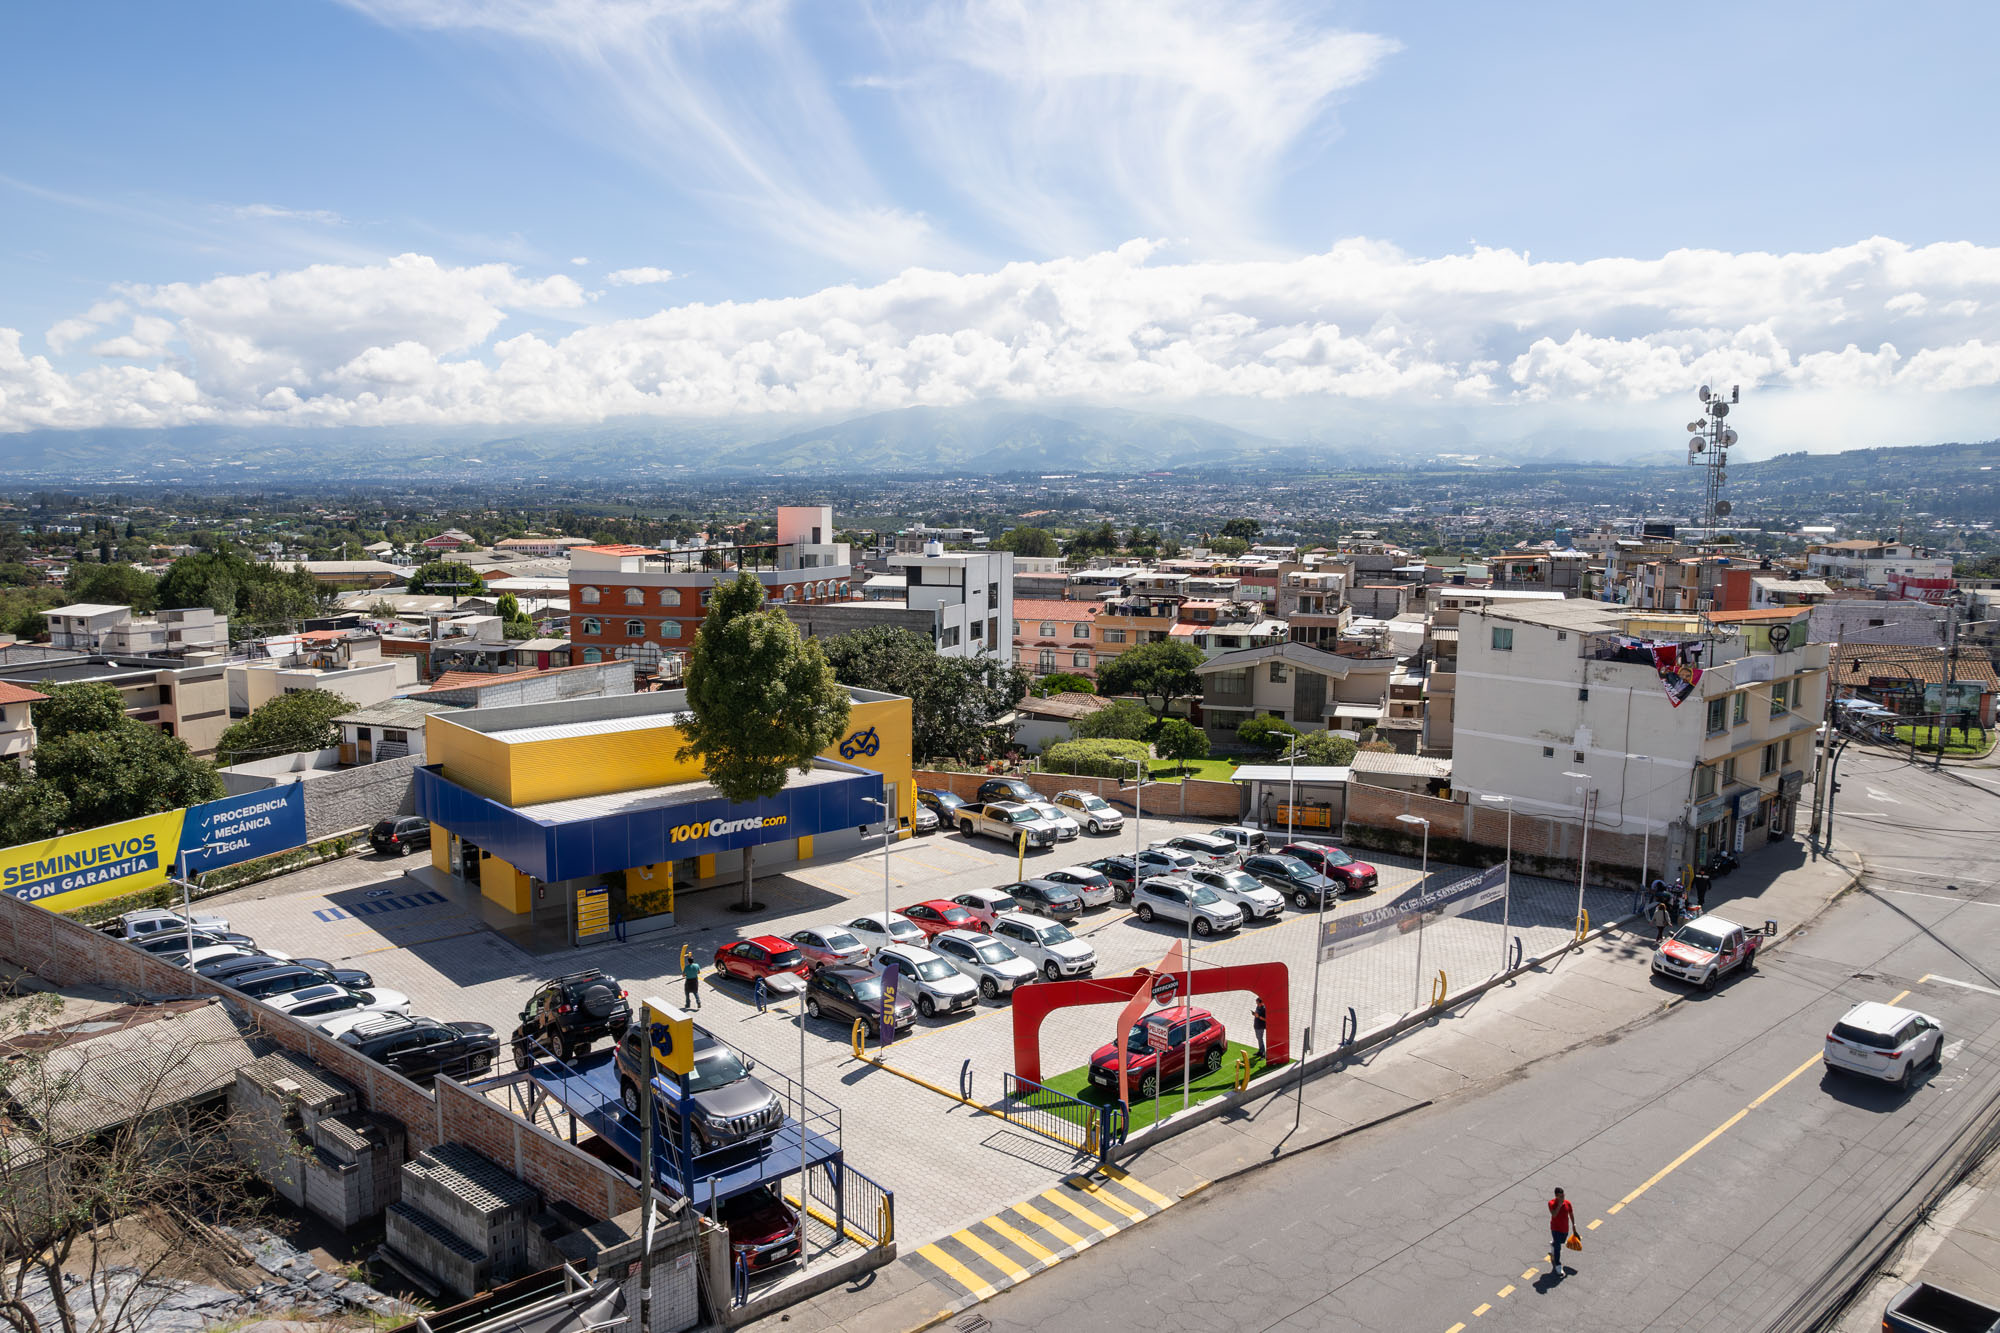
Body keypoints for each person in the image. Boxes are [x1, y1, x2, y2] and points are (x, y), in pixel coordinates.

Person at [1547, 1188, 1576, 1275]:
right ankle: (1558, 1266)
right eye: (1560, 1196)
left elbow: (1571, 1214)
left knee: (1561, 1241)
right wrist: (1559, 1205)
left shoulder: (1567, 1203)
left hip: (1565, 1229)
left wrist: (1573, 1225)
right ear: (1556, 1196)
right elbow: (1554, 1214)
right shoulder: (1551, 1203)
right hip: (1555, 1228)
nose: (1563, 1198)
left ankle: (1553, 1245)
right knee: (1558, 1247)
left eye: (1563, 1195)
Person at [1253, 999, 1268, 1063]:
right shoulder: (1258, 1007)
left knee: (1260, 1039)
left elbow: (1266, 1019)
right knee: (1258, 1039)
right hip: (1256, 1025)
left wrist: (1258, 1016)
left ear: (1261, 1003)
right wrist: (1254, 1014)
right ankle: (1260, 1051)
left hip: (1260, 1026)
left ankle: (1263, 1054)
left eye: (1258, 1003)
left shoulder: (1264, 1009)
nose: (1257, 1004)